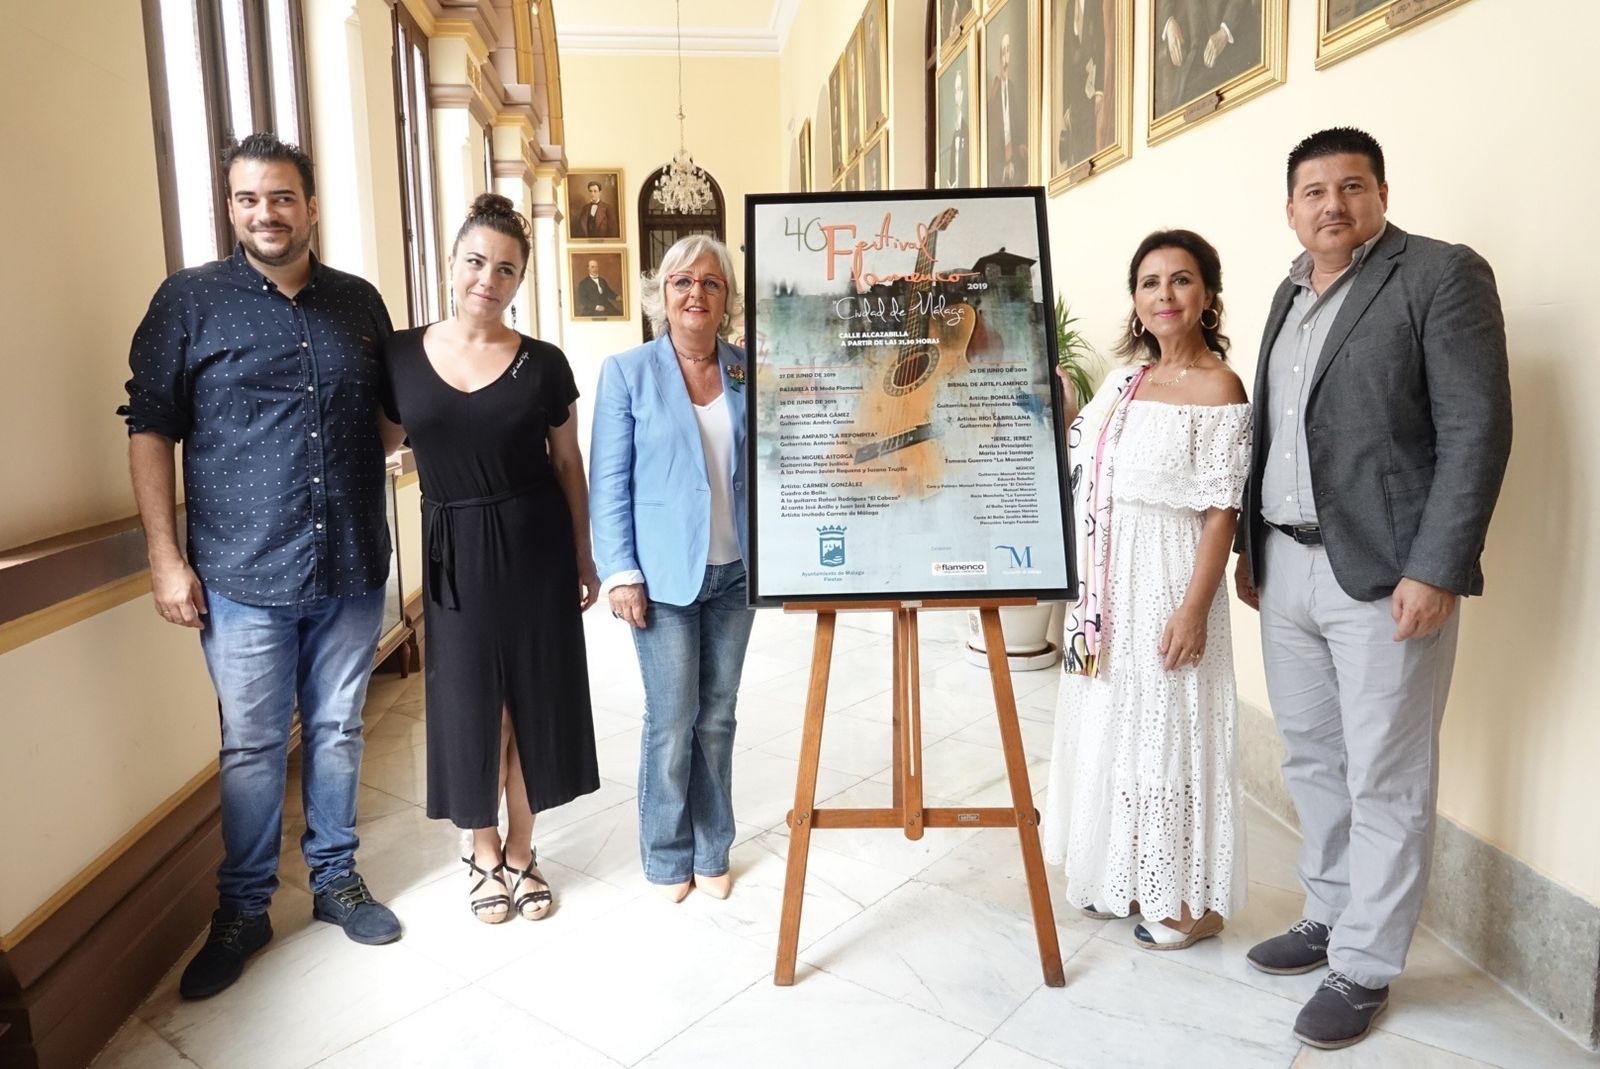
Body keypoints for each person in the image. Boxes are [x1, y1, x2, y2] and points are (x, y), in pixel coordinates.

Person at [1234, 127, 1511, 1050]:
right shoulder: (1287, 291)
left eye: (1351, 186)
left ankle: (1365, 964)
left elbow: (1476, 430)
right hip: (1287, 564)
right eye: (1313, 191)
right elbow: (1275, 434)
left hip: (1388, 573)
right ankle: (1329, 911)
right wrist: (1250, 548)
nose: (1332, 205)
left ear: (1381, 193)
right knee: (1313, 753)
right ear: (1291, 208)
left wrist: (1437, 566)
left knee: (1388, 770)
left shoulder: (1439, 275)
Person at [120, 133, 402, 1000]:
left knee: (339, 728)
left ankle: (334, 879)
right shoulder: (188, 303)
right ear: (232, 209)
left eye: (282, 197)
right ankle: (242, 908)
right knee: (249, 746)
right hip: (240, 573)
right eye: (249, 199)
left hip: (352, 560)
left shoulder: (358, 303)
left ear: (311, 207)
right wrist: (166, 560)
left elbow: (392, 417)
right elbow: (149, 427)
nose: (266, 213)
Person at [383, 194, 601, 923]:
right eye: (476, 261)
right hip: (454, 551)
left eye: (505, 268)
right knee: (476, 704)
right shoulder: (400, 356)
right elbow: (379, 446)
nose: (488, 278)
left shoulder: (543, 363)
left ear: (519, 280)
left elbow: (569, 462)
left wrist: (583, 552)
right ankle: (480, 847)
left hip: (536, 546)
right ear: (452, 264)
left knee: (532, 699)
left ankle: (523, 848)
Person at [1042, 229, 1251, 952]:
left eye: (1182, 280)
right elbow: (1085, 465)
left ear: (1208, 296)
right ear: (1135, 300)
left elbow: (1224, 505)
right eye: (1150, 282)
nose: (1165, 294)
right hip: (1108, 582)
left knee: (1171, 729)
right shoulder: (1122, 381)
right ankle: (1127, 873)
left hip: (1171, 574)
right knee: (1115, 725)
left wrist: (1195, 606)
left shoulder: (1220, 386)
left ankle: (1188, 900)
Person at [589, 236, 754, 904]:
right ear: (662, 294)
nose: (696, 294)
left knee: (717, 714)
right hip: (660, 577)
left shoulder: (746, 370)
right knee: (671, 715)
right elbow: (608, 483)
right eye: (682, 281)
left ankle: (713, 846)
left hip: (736, 571)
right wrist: (620, 570)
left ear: (727, 301)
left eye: (710, 284)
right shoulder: (628, 372)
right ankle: (664, 855)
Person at [987, 29, 1028, 184]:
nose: (1005, 57)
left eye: (1008, 51)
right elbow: (992, 139)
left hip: (1015, 160)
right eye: (1003, 52)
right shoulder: (994, 92)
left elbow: (1016, 127)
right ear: (999, 56)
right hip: (998, 165)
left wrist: (1020, 150)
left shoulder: (1011, 88)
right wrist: (1003, 168)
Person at [943, 66, 971, 188]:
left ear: (963, 94)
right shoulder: (954, 133)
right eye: (955, 91)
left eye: (959, 90)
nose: (956, 95)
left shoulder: (967, 130)